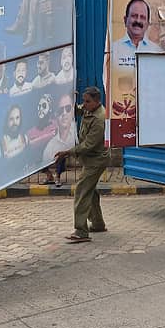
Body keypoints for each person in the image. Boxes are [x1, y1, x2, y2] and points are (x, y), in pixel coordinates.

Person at [55, 86, 109, 242]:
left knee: (81, 191)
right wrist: (70, 98)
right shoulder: (89, 109)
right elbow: (77, 110)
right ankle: (98, 224)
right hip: (90, 159)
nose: (84, 104)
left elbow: (88, 145)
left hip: (96, 160)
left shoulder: (99, 119)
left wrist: (68, 152)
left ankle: (81, 231)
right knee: (90, 190)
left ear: (97, 101)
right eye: (84, 101)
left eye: (87, 101)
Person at [111, 0, 161, 69]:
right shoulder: (113, 50)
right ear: (125, 20)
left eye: (142, 17)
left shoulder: (156, 51)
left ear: (147, 24)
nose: (138, 21)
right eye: (134, 16)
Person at [42, 92, 76, 186]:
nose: (64, 113)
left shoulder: (76, 130)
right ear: (56, 115)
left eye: (68, 109)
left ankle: (57, 176)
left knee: (62, 153)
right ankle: (50, 176)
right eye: (60, 110)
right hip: (57, 147)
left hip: (77, 148)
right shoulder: (51, 143)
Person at [27, 94, 57, 171]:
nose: (40, 109)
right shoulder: (31, 132)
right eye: (39, 106)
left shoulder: (56, 125)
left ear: (50, 109)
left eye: (44, 106)